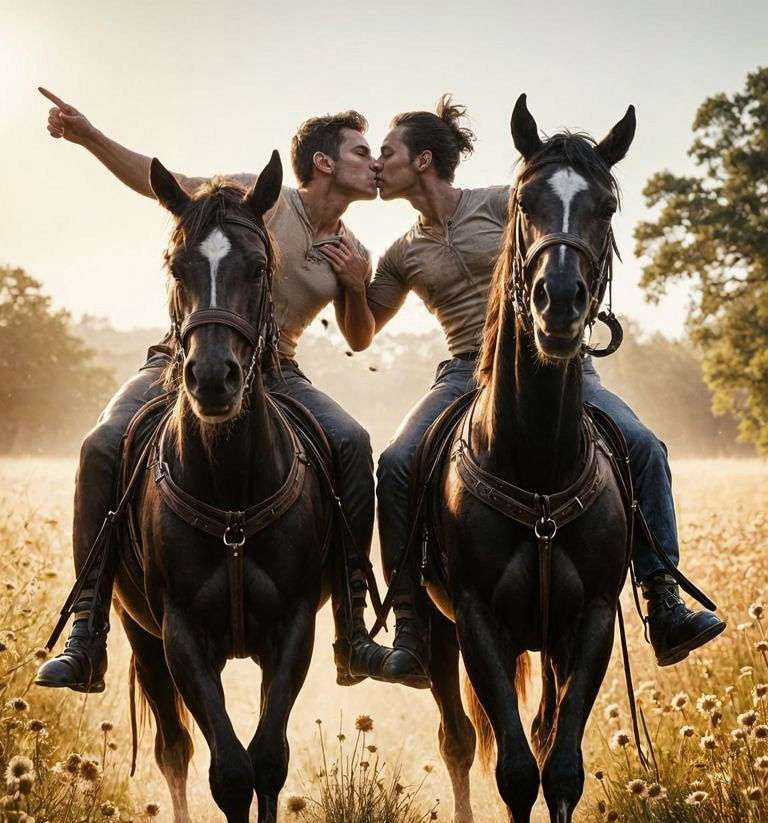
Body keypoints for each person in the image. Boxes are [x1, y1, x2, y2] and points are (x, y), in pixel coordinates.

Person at [34, 88, 417, 694]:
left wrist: (355, 281)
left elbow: (359, 336)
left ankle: (352, 633)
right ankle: (87, 635)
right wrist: (89, 136)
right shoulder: (256, 197)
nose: (375, 164)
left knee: (351, 440)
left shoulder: (353, 248)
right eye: (361, 152)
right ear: (323, 162)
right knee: (101, 445)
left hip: (277, 369)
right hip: (185, 356)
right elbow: (164, 183)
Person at [365, 96, 725, 678]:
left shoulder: (504, 201)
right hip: (463, 372)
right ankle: (409, 626)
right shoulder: (401, 252)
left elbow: (566, 220)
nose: (377, 165)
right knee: (398, 462)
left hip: (558, 367)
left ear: (423, 160)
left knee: (644, 446)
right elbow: (362, 330)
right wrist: (345, 274)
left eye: (386, 153)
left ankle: (662, 599)